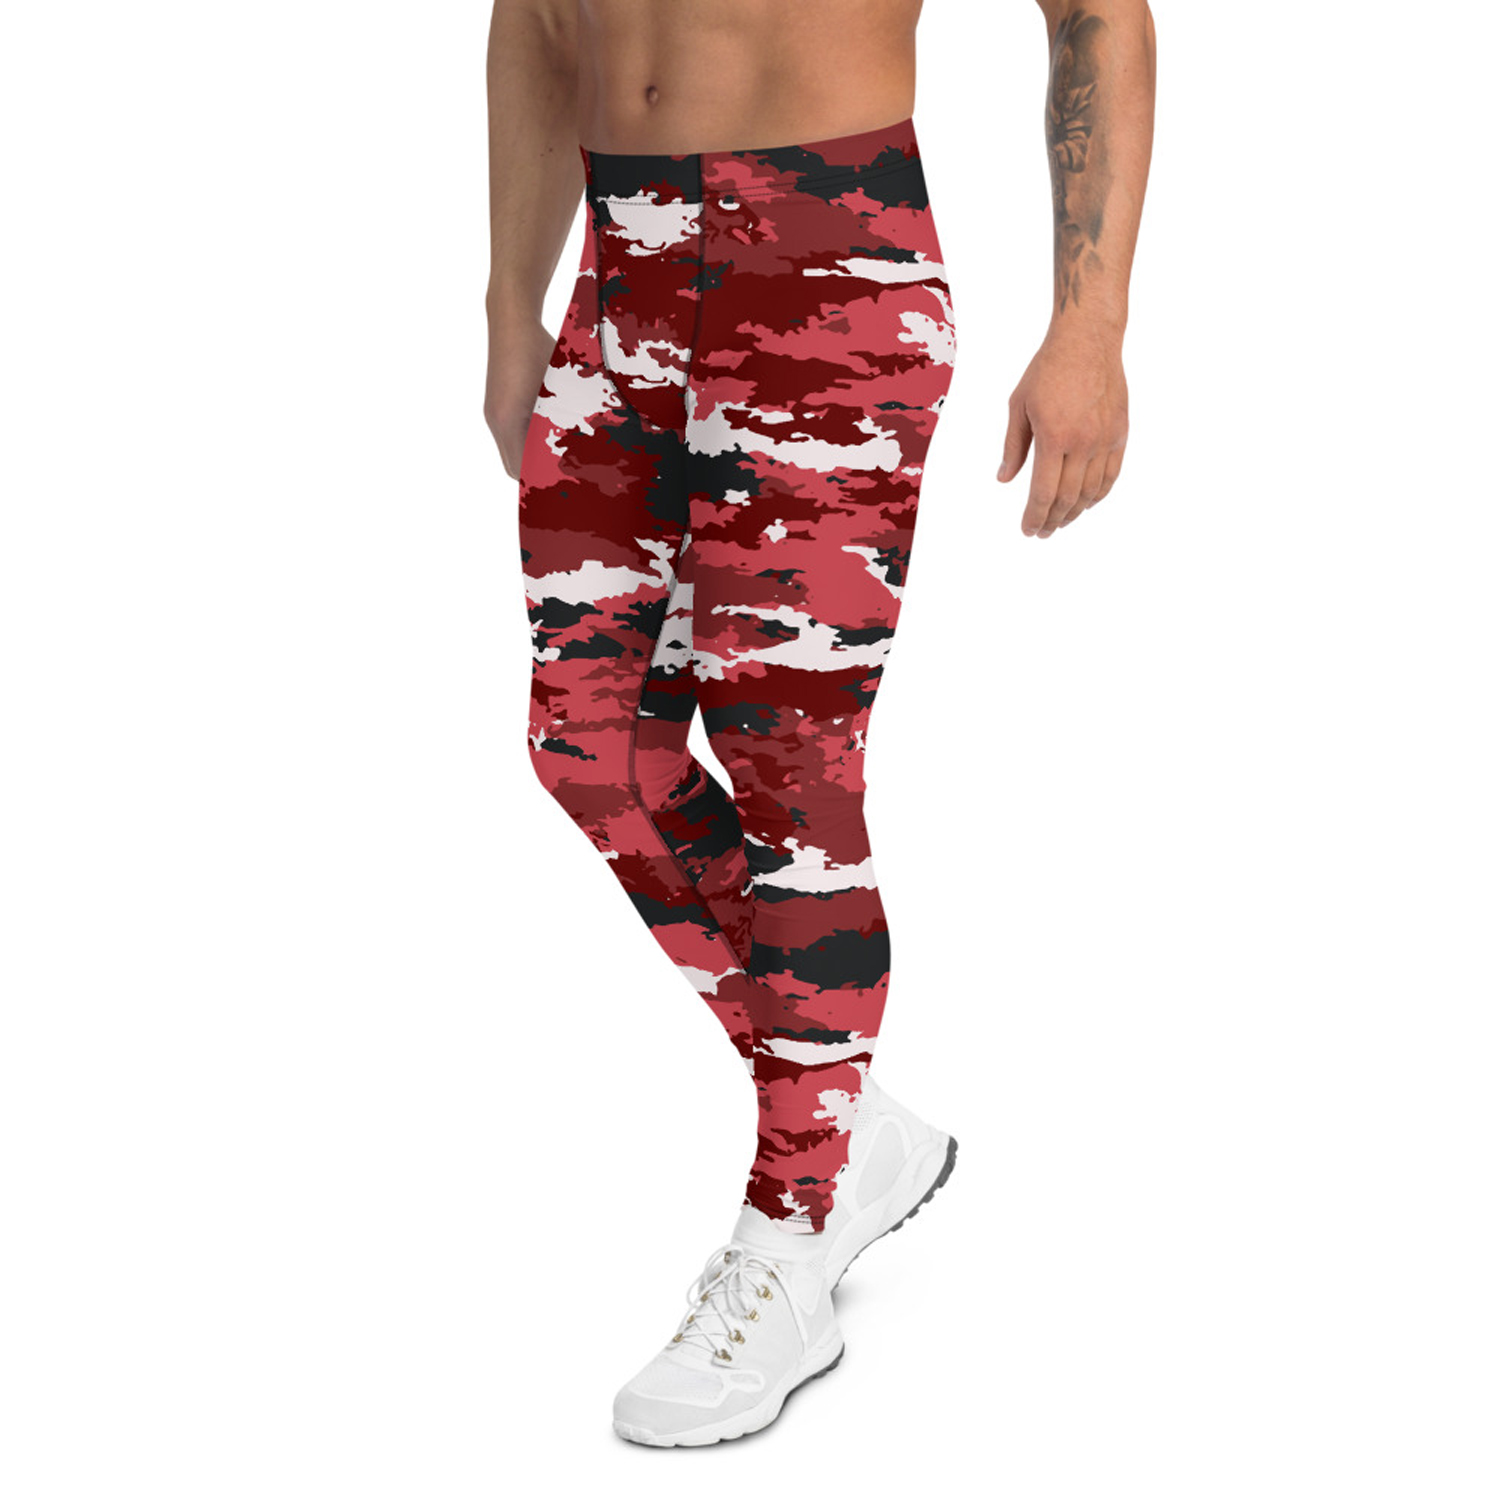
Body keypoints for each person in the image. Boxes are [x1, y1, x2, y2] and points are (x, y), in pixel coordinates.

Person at [484, 0, 1155, 1447]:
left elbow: (1096, 13)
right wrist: (507, 309)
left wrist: (1090, 326)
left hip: (825, 257)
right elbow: (535, 22)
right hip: (620, 279)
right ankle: (850, 1122)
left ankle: (791, 1233)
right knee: (588, 745)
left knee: (790, 770)